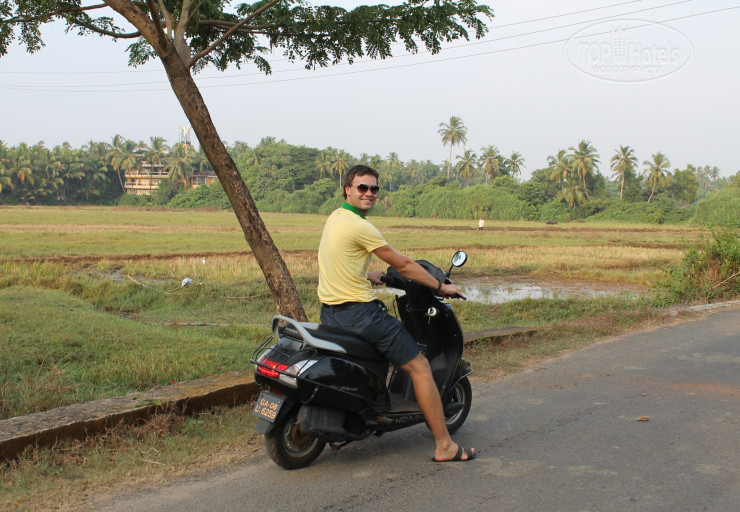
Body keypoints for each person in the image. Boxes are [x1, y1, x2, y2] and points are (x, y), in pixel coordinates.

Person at [317, 165, 476, 462]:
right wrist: (441, 286)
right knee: (420, 367)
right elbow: (403, 265)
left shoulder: (336, 217)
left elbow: (338, 259)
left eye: (374, 188)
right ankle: (445, 446)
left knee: (364, 365)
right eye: (362, 187)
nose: (369, 193)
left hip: (331, 313)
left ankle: (345, 428)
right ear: (348, 189)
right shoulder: (360, 226)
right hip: (361, 315)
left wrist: (367, 275)